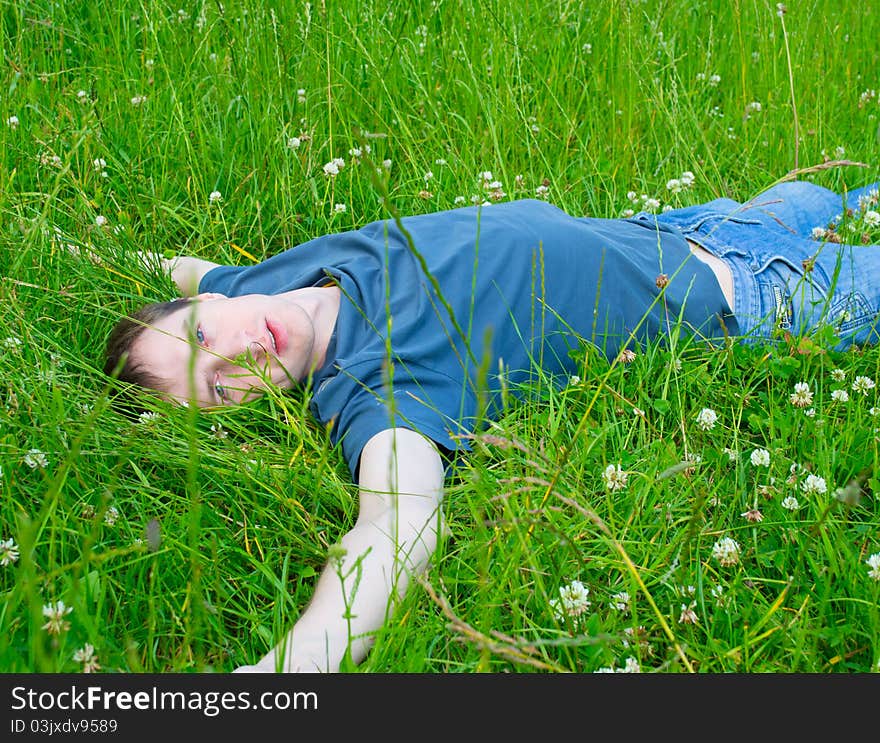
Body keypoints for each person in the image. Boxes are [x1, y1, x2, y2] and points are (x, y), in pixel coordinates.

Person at [103, 176, 880, 672]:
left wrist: (64, 243)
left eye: (204, 334)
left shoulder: (260, 285)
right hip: (757, 293)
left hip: (681, 225)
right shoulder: (377, 392)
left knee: (820, 191)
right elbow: (395, 528)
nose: (238, 354)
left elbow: (175, 267)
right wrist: (286, 674)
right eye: (221, 391)